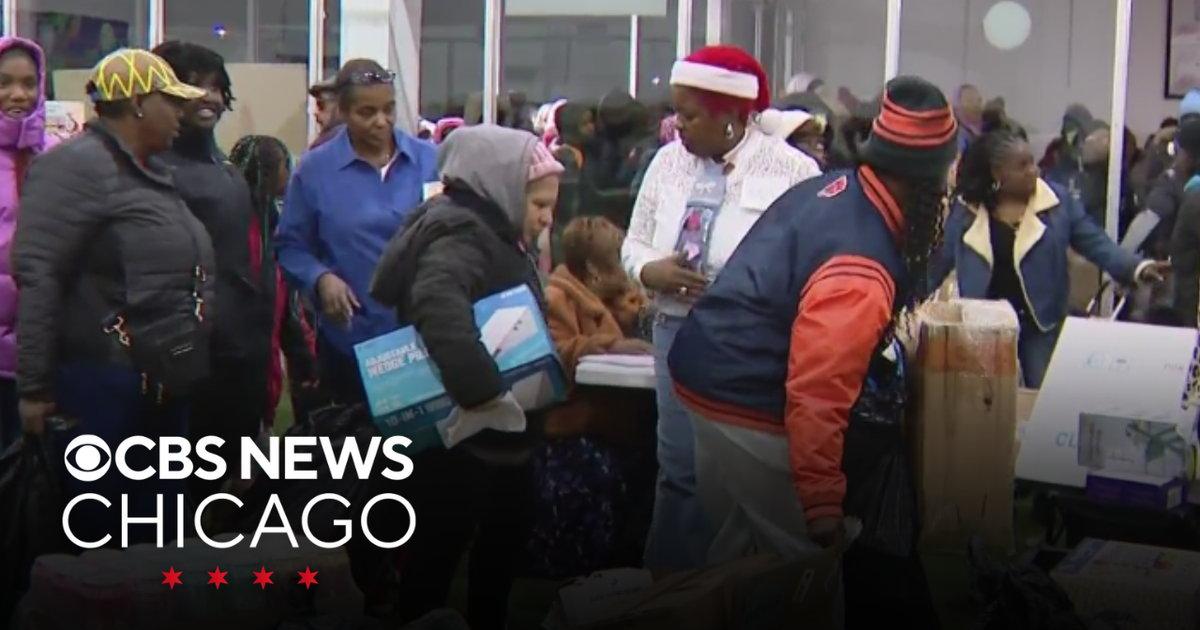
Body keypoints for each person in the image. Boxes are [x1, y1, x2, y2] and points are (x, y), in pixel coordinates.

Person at [667, 75, 958, 628]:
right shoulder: (861, 266)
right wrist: (822, 500)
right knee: (804, 575)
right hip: (748, 398)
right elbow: (819, 386)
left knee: (739, 559)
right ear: (926, 182)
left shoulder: (839, 190)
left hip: (707, 375)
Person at [620, 44, 821, 571]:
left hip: (749, 343)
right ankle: (667, 591)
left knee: (741, 473)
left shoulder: (792, 170)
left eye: (687, 114)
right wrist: (648, 271)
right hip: (674, 331)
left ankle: (736, 587)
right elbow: (633, 242)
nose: (675, 124)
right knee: (679, 468)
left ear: (730, 114)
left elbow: (807, 261)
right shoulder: (666, 163)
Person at [12, 48, 214, 546]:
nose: (182, 115)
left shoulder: (149, 171)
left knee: (159, 536)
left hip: (161, 377)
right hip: (105, 384)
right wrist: (34, 387)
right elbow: (40, 275)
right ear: (140, 103)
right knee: (105, 538)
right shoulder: (74, 168)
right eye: (173, 102)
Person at [369, 124, 562, 630]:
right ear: (500, 186)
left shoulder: (491, 230)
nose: (547, 218)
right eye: (539, 204)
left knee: (501, 534)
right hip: (467, 428)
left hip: (496, 429)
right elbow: (440, 310)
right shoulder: (462, 233)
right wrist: (484, 393)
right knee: (443, 542)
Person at [932, 109, 1167, 388]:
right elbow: (938, 263)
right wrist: (907, 300)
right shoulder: (967, 209)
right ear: (997, 174)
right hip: (983, 328)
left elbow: (1097, 244)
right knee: (985, 406)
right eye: (1023, 166)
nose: (1035, 170)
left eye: (1032, 162)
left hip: (1041, 327)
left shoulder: (1057, 203)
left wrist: (1137, 267)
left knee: (1041, 405)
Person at [275, 58, 438, 406]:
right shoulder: (315, 171)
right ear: (344, 112)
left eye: (389, 109)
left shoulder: (430, 162)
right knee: (360, 451)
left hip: (426, 336)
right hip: (352, 344)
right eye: (367, 112)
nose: (382, 121)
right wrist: (320, 278)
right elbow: (290, 245)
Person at [152, 41, 274, 501]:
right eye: (194, 85)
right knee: (184, 489)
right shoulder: (156, 169)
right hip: (191, 347)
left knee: (226, 484)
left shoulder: (222, 166)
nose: (210, 97)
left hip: (242, 344)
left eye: (217, 87)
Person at [526, 215, 655, 578]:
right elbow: (558, 351)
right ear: (596, 271)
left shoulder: (613, 301)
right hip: (571, 427)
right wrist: (611, 344)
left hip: (612, 421)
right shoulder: (557, 298)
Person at [228, 135, 319, 429]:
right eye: (285, 167)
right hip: (251, 360)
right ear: (268, 173)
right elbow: (283, 302)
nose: (289, 175)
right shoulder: (257, 230)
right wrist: (306, 359)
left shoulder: (262, 218)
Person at [0, 37, 58, 451]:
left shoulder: (58, 157)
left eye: (28, 82)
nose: (18, 94)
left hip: (43, 360)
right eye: (3, 83)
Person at [1170, 120, 1200, 326]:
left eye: (1177, 152)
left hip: (1192, 310)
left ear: (1191, 156)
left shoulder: (1196, 200)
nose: (1174, 161)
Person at [955, 84, 984, 155]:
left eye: (979, 100)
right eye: (970, 101)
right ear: (957, 108)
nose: (977, 105)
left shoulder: (978, 133)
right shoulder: (957, 138)